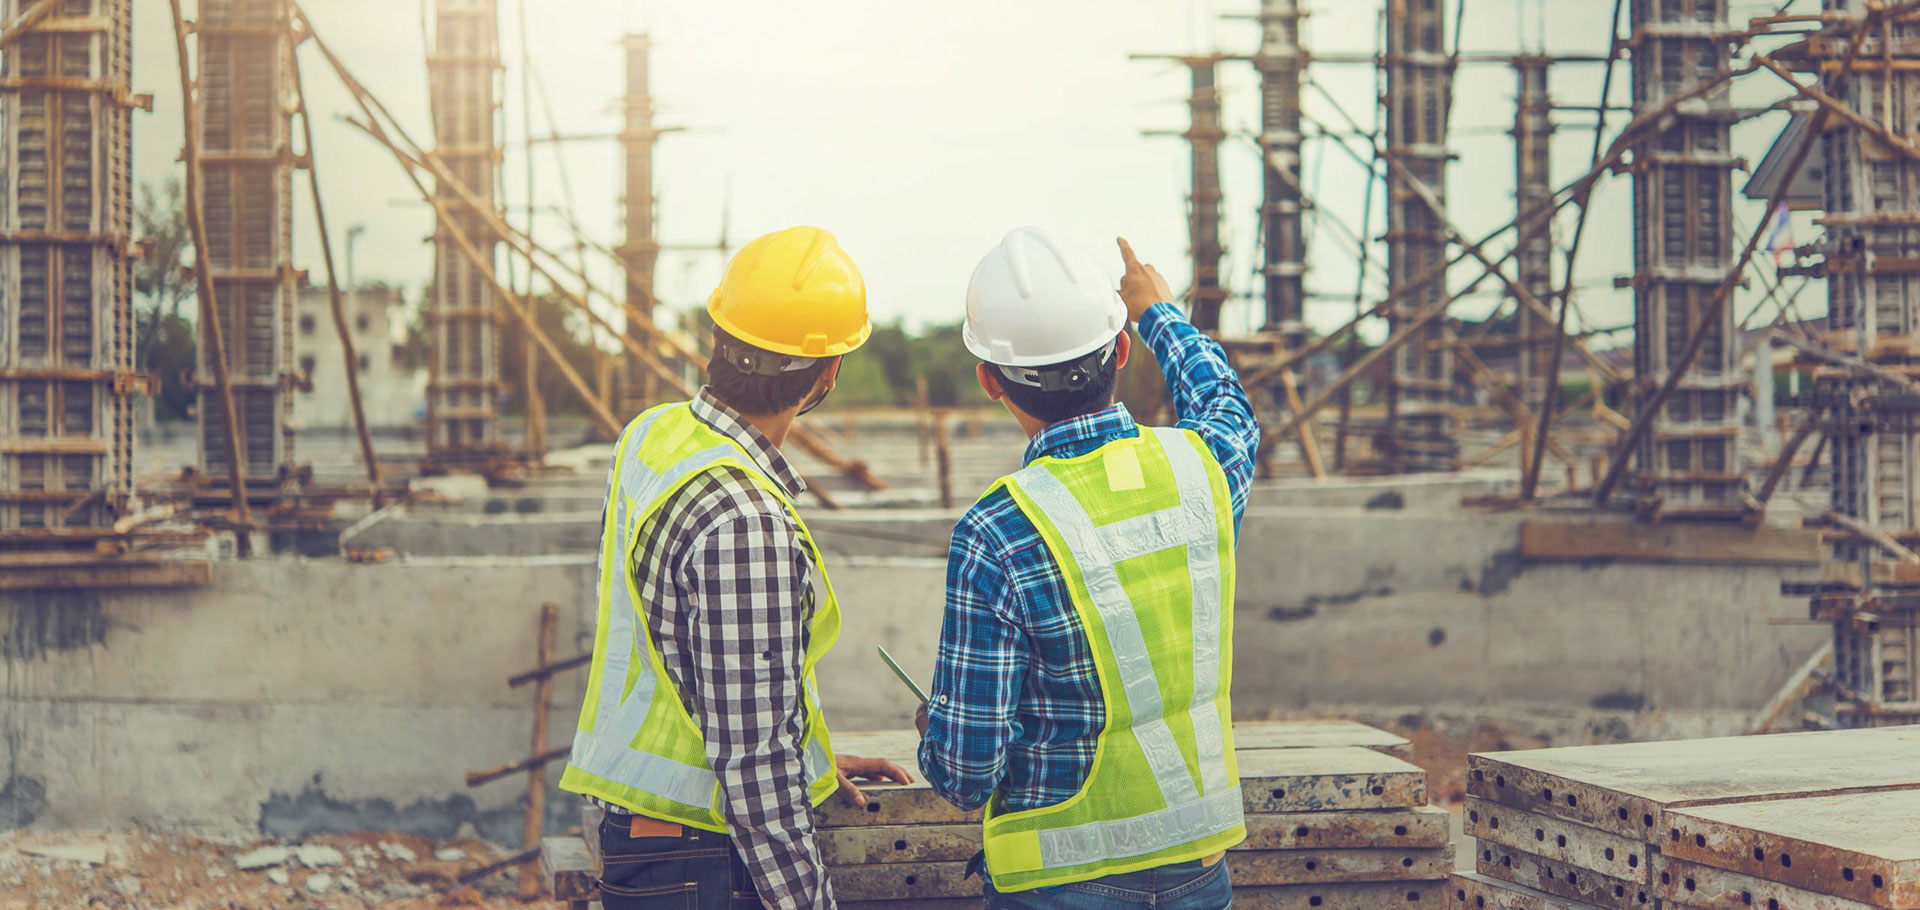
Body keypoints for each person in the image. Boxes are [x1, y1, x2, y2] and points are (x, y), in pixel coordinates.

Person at [560, 225, 913, 910]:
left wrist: (805, 756)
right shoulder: (746, 521)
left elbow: (692, 662)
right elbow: (752, 771)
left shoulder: (653, 435)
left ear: (719, 337)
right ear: (828, 372)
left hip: (648, 835)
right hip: (705, 856)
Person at [917, 227, 1260, 909]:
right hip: (1199, 871)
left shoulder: (999, 529)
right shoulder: (1206, 467)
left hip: (1058, 886)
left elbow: (965, 771)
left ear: (990, 380)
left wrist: (938, 728)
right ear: (1122, 350)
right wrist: (1159, 310)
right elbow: (1227, 405)